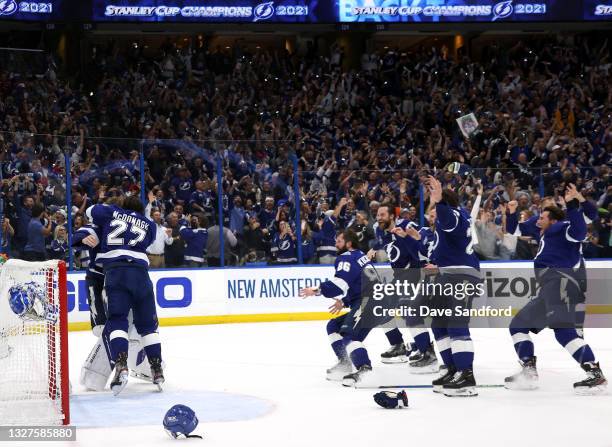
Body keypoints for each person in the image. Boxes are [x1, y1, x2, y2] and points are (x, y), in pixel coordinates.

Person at [505, 184, 607, 394]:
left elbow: (580, 230)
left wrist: (573, 202)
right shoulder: (542, 228)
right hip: (548, 287)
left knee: (563, 331)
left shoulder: (564, 227)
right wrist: (512, 212)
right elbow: (514, 229)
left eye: (542, 217)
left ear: (554, 220)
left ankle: (594, 373)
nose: (537, 219)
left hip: (561, 282)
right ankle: (529, 370)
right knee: (517, 325)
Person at [86, 195, 164, 396]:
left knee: (118, 321)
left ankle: (121, 365)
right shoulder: (150, 224)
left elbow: (90, 210)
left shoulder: (111, 212)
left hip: (116, 272)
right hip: (141, 273)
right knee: (148, 326)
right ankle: (157, 369)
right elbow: (148, 239)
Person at [425, 176, 481, 397]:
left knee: (457, 324)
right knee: (438, 322)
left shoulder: (454, 215)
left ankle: (466, 374)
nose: (432, 210)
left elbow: (449, 221)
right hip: (449, 275)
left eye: (434, 205)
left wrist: (439, 202)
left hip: (462, 276)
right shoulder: (449, 219)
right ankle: (452, 369)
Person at [299, 230, 375, 386]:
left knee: (349, 335)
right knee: (333, 325)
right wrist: (345, 301)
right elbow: (358, 284)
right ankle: (345, 361)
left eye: (339, 241)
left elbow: (340, 284)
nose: (335, 244)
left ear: (348, 243)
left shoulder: (346, 257)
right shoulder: (360, 255)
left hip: (368, 303)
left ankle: (364, 369)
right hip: (373, 301)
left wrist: (316, 290)